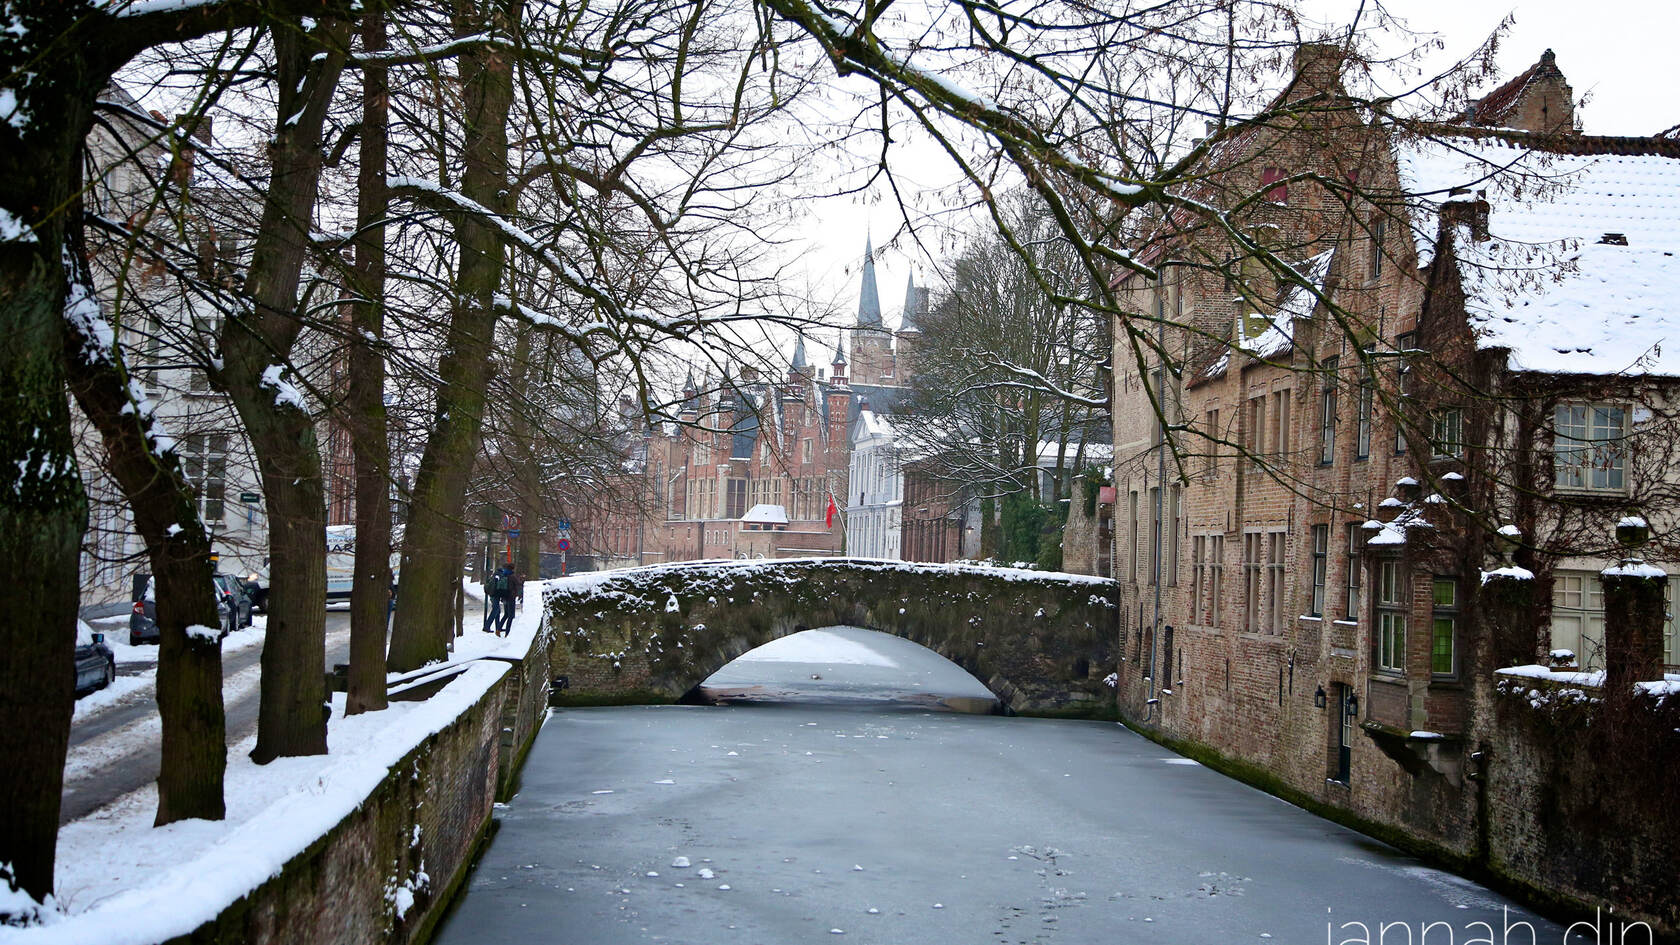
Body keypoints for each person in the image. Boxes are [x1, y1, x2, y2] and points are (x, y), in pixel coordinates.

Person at [485, 565, 515, 635]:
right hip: (495, 595)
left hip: (492, 594)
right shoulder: (500, 576)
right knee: (496, 610)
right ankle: (487, 626)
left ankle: (498, 627)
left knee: (497, 611)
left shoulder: (495, 575)